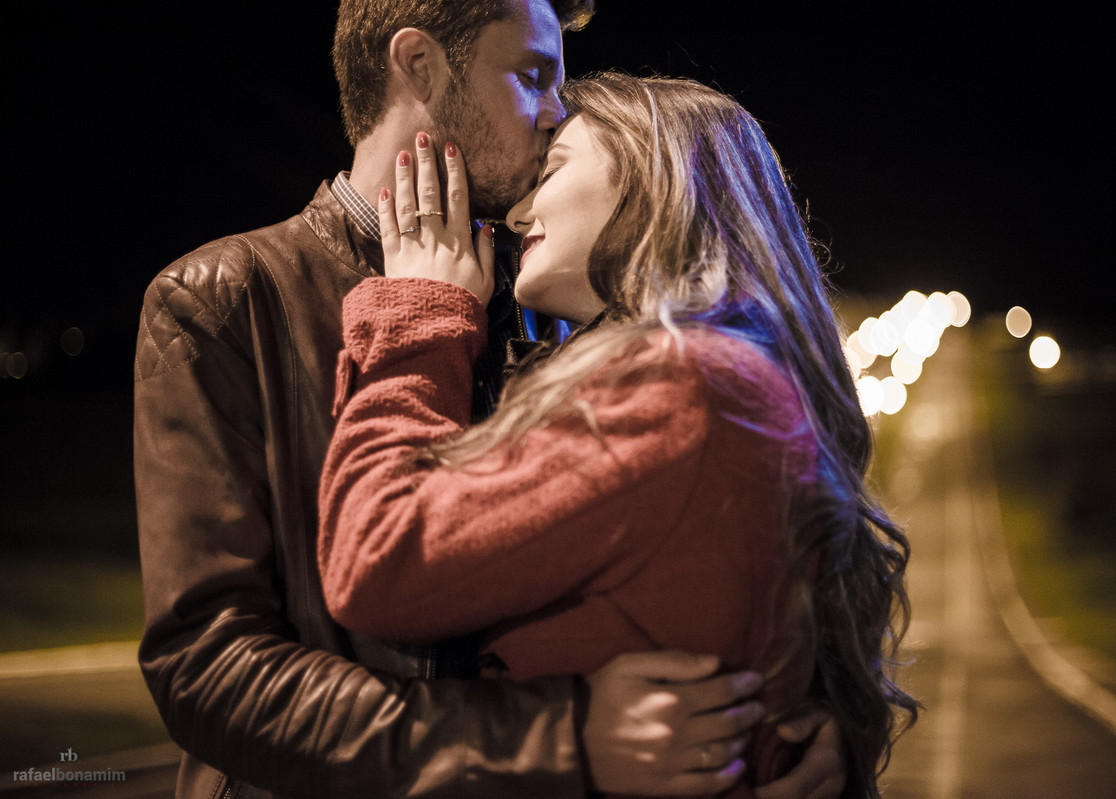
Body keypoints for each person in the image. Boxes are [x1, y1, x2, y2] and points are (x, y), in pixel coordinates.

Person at [134, 0, 846, 796]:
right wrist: (555, 736)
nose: (555, 114)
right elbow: (207, 668)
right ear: (420, 67)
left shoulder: (556, 286)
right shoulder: (224, 298)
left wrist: (784, 727)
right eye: (533, 76)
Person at [318, 72, 919, 798]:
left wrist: (417, 320)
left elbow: (379, 557)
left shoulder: (680, 387)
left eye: (552, 170)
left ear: (650, 177)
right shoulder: (731, 371)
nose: (516, 214)